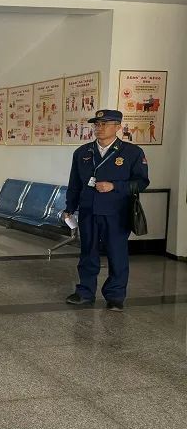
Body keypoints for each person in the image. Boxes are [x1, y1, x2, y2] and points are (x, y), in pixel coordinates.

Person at [64, 109, 149, 312]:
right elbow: (74, 184)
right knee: (88, 253)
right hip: (88, 211)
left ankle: (115, 296)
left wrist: (114, 186)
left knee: (117, 254)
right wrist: (69, 208)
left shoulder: (132, 152)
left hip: (116, 212)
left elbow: (142, 182)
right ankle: (85, 292)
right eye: (97, 124)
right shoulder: (83, 152)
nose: (99, 128)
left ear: (118, 127)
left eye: (104, 124)